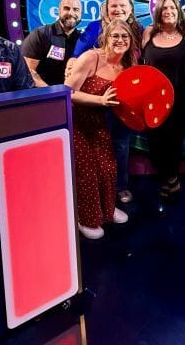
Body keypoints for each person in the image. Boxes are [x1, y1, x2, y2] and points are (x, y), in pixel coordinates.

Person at [65, 19, 139, 240]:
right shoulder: (91, 57)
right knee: (87, 171)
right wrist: (100, 101)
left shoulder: (126, 65)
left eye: (124, 36)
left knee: (108, 167)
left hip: (99, 124)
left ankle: (107, 209)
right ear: (106, 37)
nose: (120, 40)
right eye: (115, 35)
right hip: (76, 123)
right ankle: (86, 218)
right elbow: (67, 92)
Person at [70, 0, 144, 204]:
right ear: (106, 9)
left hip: (123, 102)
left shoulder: (139, 31)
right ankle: (95, 195)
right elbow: (76, 60)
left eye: (123, 6)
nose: (118, 9)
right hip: (94, 104)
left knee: (120, 146)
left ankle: (118, 188)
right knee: (95, 150)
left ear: (130, 9)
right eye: (114, 6)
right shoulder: (93, 29)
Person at [141, 0, 185, 197]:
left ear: (179, 11)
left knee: (174, 139)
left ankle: (172, 179)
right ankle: (166, 175)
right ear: (158, 12)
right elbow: (140, 66)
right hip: (154, 99)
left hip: (183, 98)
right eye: (164, 8)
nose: (168, 11)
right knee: (156, 140)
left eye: (172, 8)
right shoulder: (149, 32)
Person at [21, 0, 82, 87]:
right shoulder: (40, 34)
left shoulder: (83, 40)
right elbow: (27, 70)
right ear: (58, 11)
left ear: (81, 14)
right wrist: (50, 92)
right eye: (66, 8)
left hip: (72, 96)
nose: (71, 13)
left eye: (76, 9)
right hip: (43, 95)